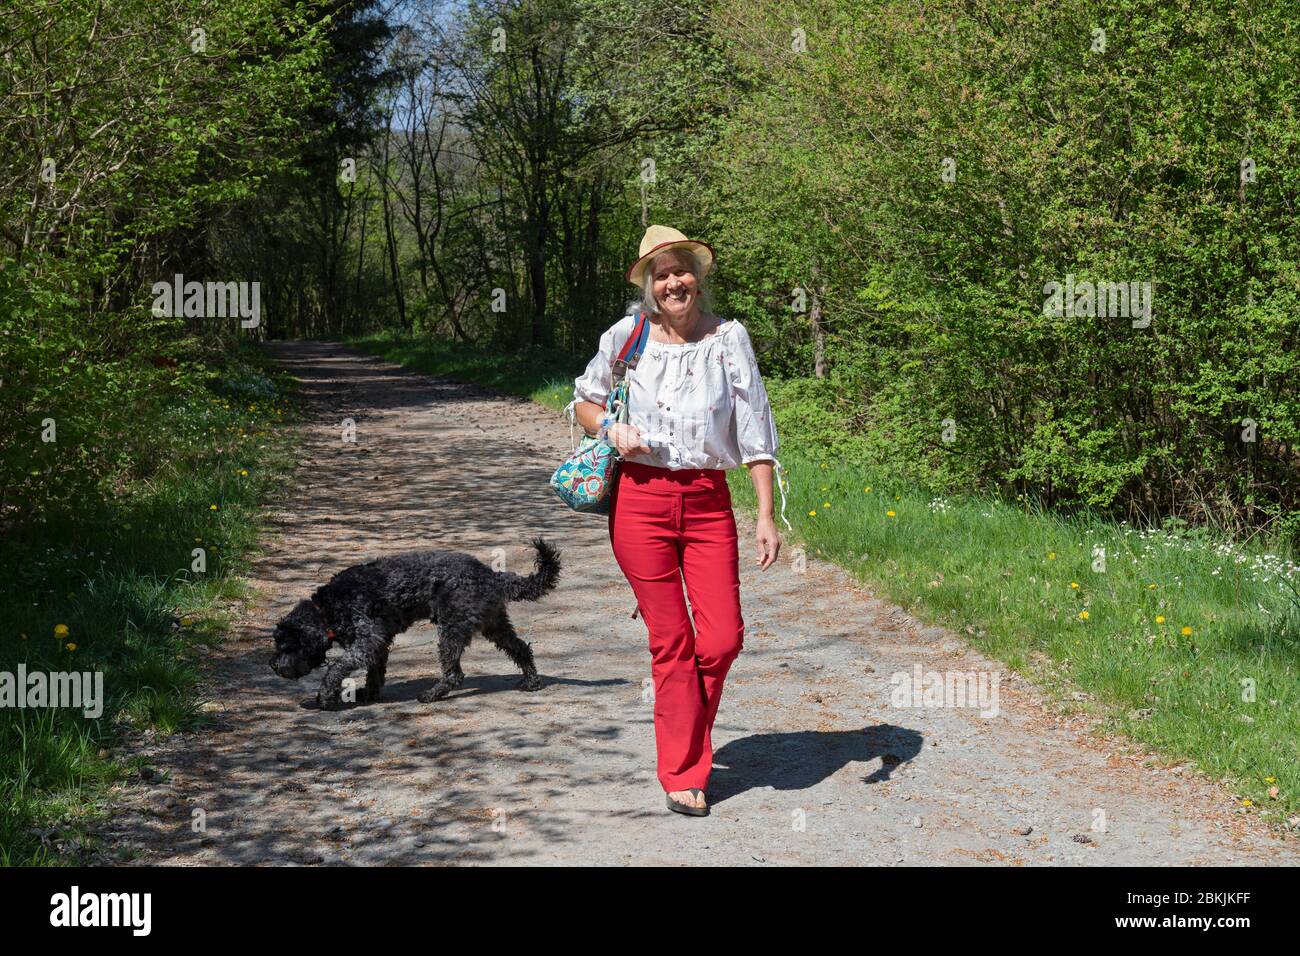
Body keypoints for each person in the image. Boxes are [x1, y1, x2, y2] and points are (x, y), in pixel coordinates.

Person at [565, 224, 791, 816]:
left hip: (709, 500)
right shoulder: (629, 335)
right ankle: (685, 771)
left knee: (721, 638)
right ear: (648, 285)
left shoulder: (730, 339)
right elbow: (583, 399)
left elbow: (756, 429)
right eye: (660, 274)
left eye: (681, 269)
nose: (673, 282)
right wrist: (609, 429)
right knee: (672, 641)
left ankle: (685, 732)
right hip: (639, 502)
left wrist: (766, 514)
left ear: (699, 274)